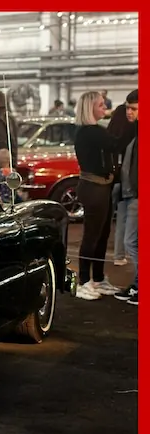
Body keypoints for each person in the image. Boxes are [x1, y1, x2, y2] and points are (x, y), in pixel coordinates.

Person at [72, 90, 134, 300]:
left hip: (100, 187)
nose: (104, 108)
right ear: (90, 108)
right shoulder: (90, 132)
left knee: (101, 235)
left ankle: (97, 279)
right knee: (92, 236)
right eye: (100, 105)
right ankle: (82, 282)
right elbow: (116, 143)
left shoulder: (92, 130)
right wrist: (137, 123)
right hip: (93, 188)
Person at [114, 89, 138, 305]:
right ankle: (137, 285)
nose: (128, 112)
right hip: (131, 194)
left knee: (131, 242)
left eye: (133, 109)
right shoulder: (134, 131)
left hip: (137, 196)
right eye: (127, 108)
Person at [106, 103, 138, 266]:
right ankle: (121, 256)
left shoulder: (111, 134)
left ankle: (118, 255)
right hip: (127, 185)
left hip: (113, 182)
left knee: (119, 221)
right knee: (127, 223)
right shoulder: (131, 135)